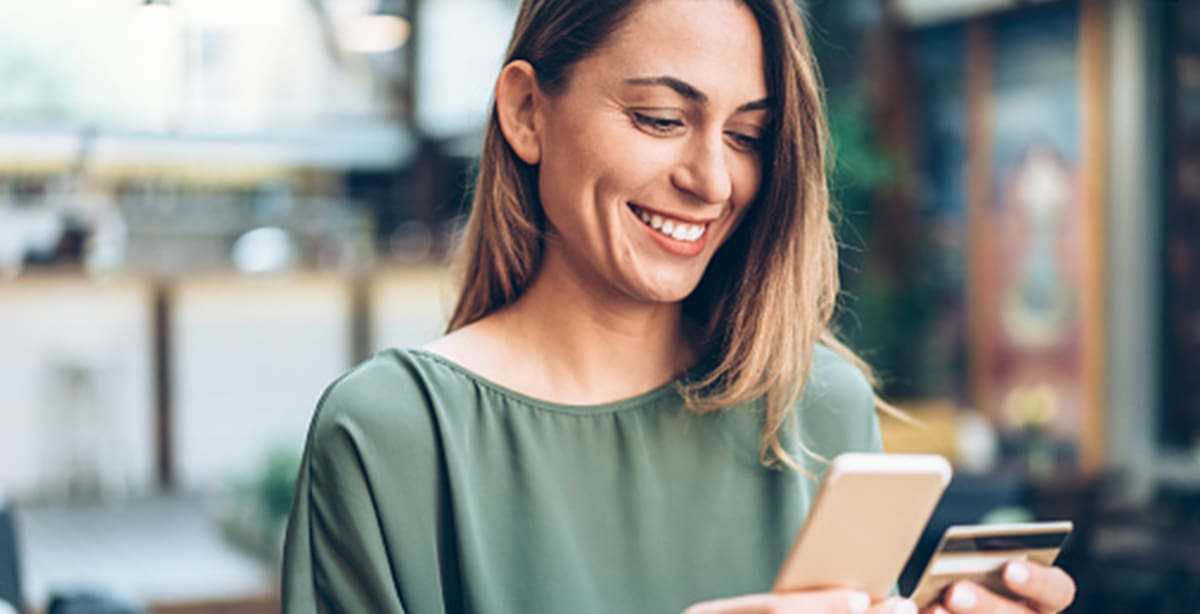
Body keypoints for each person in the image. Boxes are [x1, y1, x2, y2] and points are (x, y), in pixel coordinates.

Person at [282, 1, 1078, 612]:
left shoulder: (814, 410)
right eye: (661, 120)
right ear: (528, 112)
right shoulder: (393, 434)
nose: (713, 180)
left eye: (747, 136)